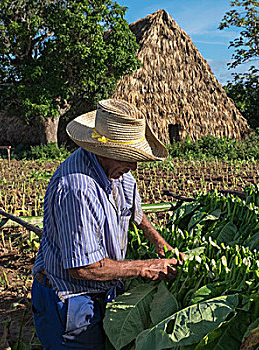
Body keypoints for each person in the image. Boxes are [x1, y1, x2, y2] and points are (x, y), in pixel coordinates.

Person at [31, 99, 182, 349]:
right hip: (70, 299)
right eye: (127, 157)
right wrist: (143, 267)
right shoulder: (78, 189)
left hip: (99, 290)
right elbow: (82, 269)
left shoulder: (118, 171)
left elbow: (134, 210)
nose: (133, 166)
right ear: (104, 151)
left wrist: (157, 239)